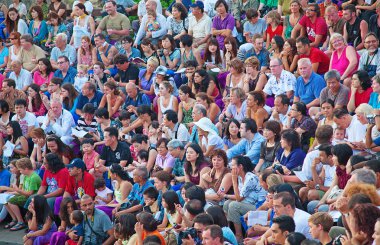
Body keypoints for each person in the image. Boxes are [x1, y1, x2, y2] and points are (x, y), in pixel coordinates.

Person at [222, 155, 266, 242]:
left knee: (234, 205)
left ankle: (239, 236)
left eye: (233, 165)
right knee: (227, 204)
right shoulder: (240, 177)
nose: (231, 167)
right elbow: (240, 195)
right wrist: (225, 196)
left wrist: (233, 180)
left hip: (260, 206)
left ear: (240, 166)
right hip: (249, 203)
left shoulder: (250, 178)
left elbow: (238, 199)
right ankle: (231, 231)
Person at [4, 158, 41, 231]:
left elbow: (30, 193)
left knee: (11, 201)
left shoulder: (33, 177)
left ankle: (21, 221)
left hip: (32, 197)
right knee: (6, 199)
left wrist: (17, 190)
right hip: (26, 195)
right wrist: (13, 192)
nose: (20, 172)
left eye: (20, 170)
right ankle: (15, 220)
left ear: (26, 169)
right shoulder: (26, 176)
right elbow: (23, 190)